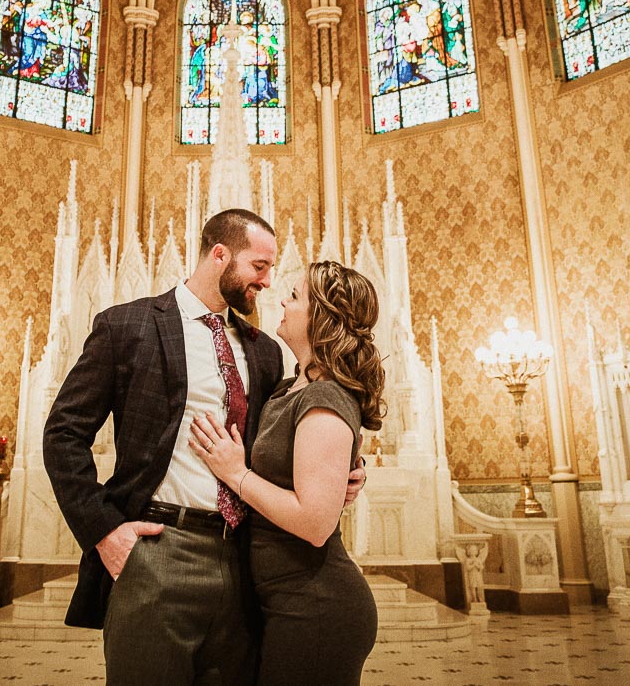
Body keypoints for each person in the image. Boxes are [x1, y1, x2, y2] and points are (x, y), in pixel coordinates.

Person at [45, 210, 363, 685]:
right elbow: (63, 433)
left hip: (243, 560)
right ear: (220, 255)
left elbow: (288, 436)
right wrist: (104, 532)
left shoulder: (264, 350)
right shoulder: (126, 326)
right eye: (259, 266)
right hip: (157, 551)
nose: (267, 281)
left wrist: (343, 472)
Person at [192, 261, 385, 686]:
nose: (281, 299)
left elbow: (315, 524)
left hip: (315, 604)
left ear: (322, 317)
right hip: (281, 600)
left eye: (295, 296)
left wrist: (235, 473)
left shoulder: (324, 397)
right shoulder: (287, 388)